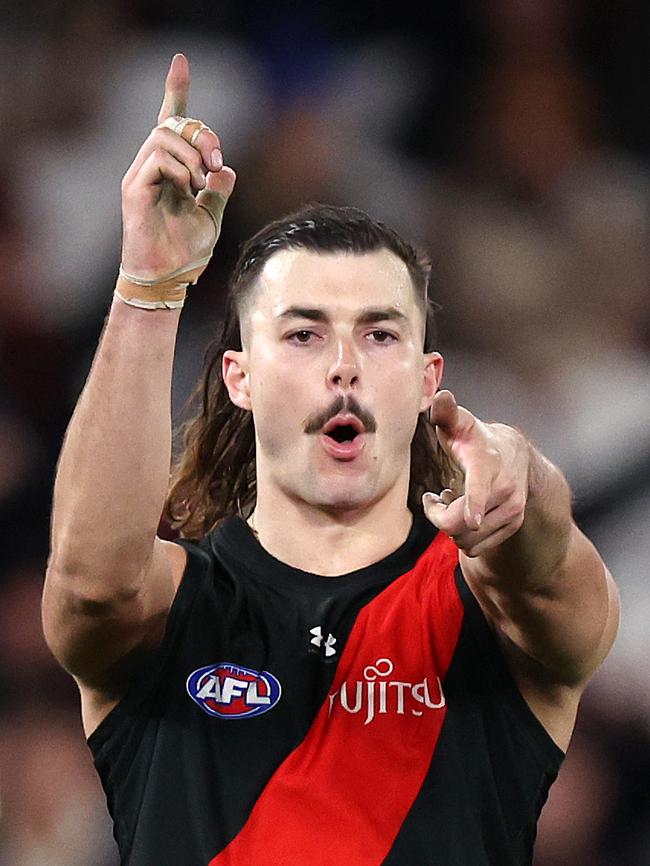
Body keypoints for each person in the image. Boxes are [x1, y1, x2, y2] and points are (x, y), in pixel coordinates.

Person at [42, 54, 619, 866]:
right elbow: (90, 585)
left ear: (427, 382)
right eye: (304, 333)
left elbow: (555, 570)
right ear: (239, 378)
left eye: (380, 333)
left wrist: (523, 476)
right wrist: (149, 282)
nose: (344, 364)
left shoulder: (489, 609)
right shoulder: (173, 606)